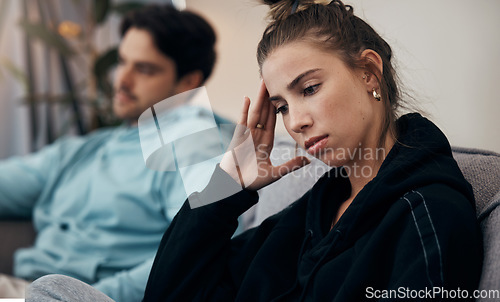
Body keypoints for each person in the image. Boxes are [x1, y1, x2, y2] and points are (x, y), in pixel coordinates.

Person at [26, 0, 482, 301]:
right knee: (52, 291)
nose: (296, 121)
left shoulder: (428, 213)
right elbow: (170, 294)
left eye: (310, 88)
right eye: (281, 105)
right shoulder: (317, 209)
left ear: (368, 72)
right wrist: (228, 185)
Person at [0, 4, 229, 301]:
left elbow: (202, 244)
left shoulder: (193, 142)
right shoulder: (86, 149)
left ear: (188, 82)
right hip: (26, 288)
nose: (122, 79)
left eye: (144, 69)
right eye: (122, 62)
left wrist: (89, 296)